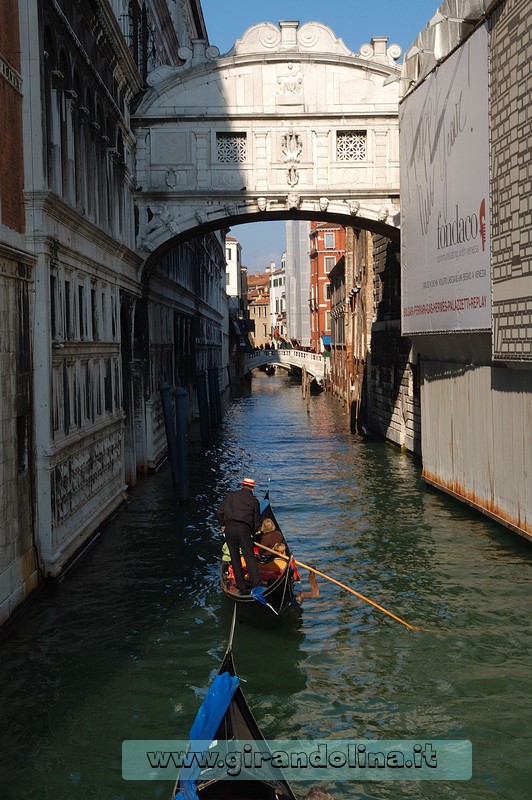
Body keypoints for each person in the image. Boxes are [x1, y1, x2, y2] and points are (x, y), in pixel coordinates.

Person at [216, 477, 262, 594]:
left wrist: (223, 524)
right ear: (252, 488)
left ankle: (242, 588)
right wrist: (252, 533)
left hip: (229, 528)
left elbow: (219, 512)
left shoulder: (231, 495)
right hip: (243, 529)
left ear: (242, 485)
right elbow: (256, 523)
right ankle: (256, 586)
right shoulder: (254, 501)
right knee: (249, 556)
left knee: (234, 558)